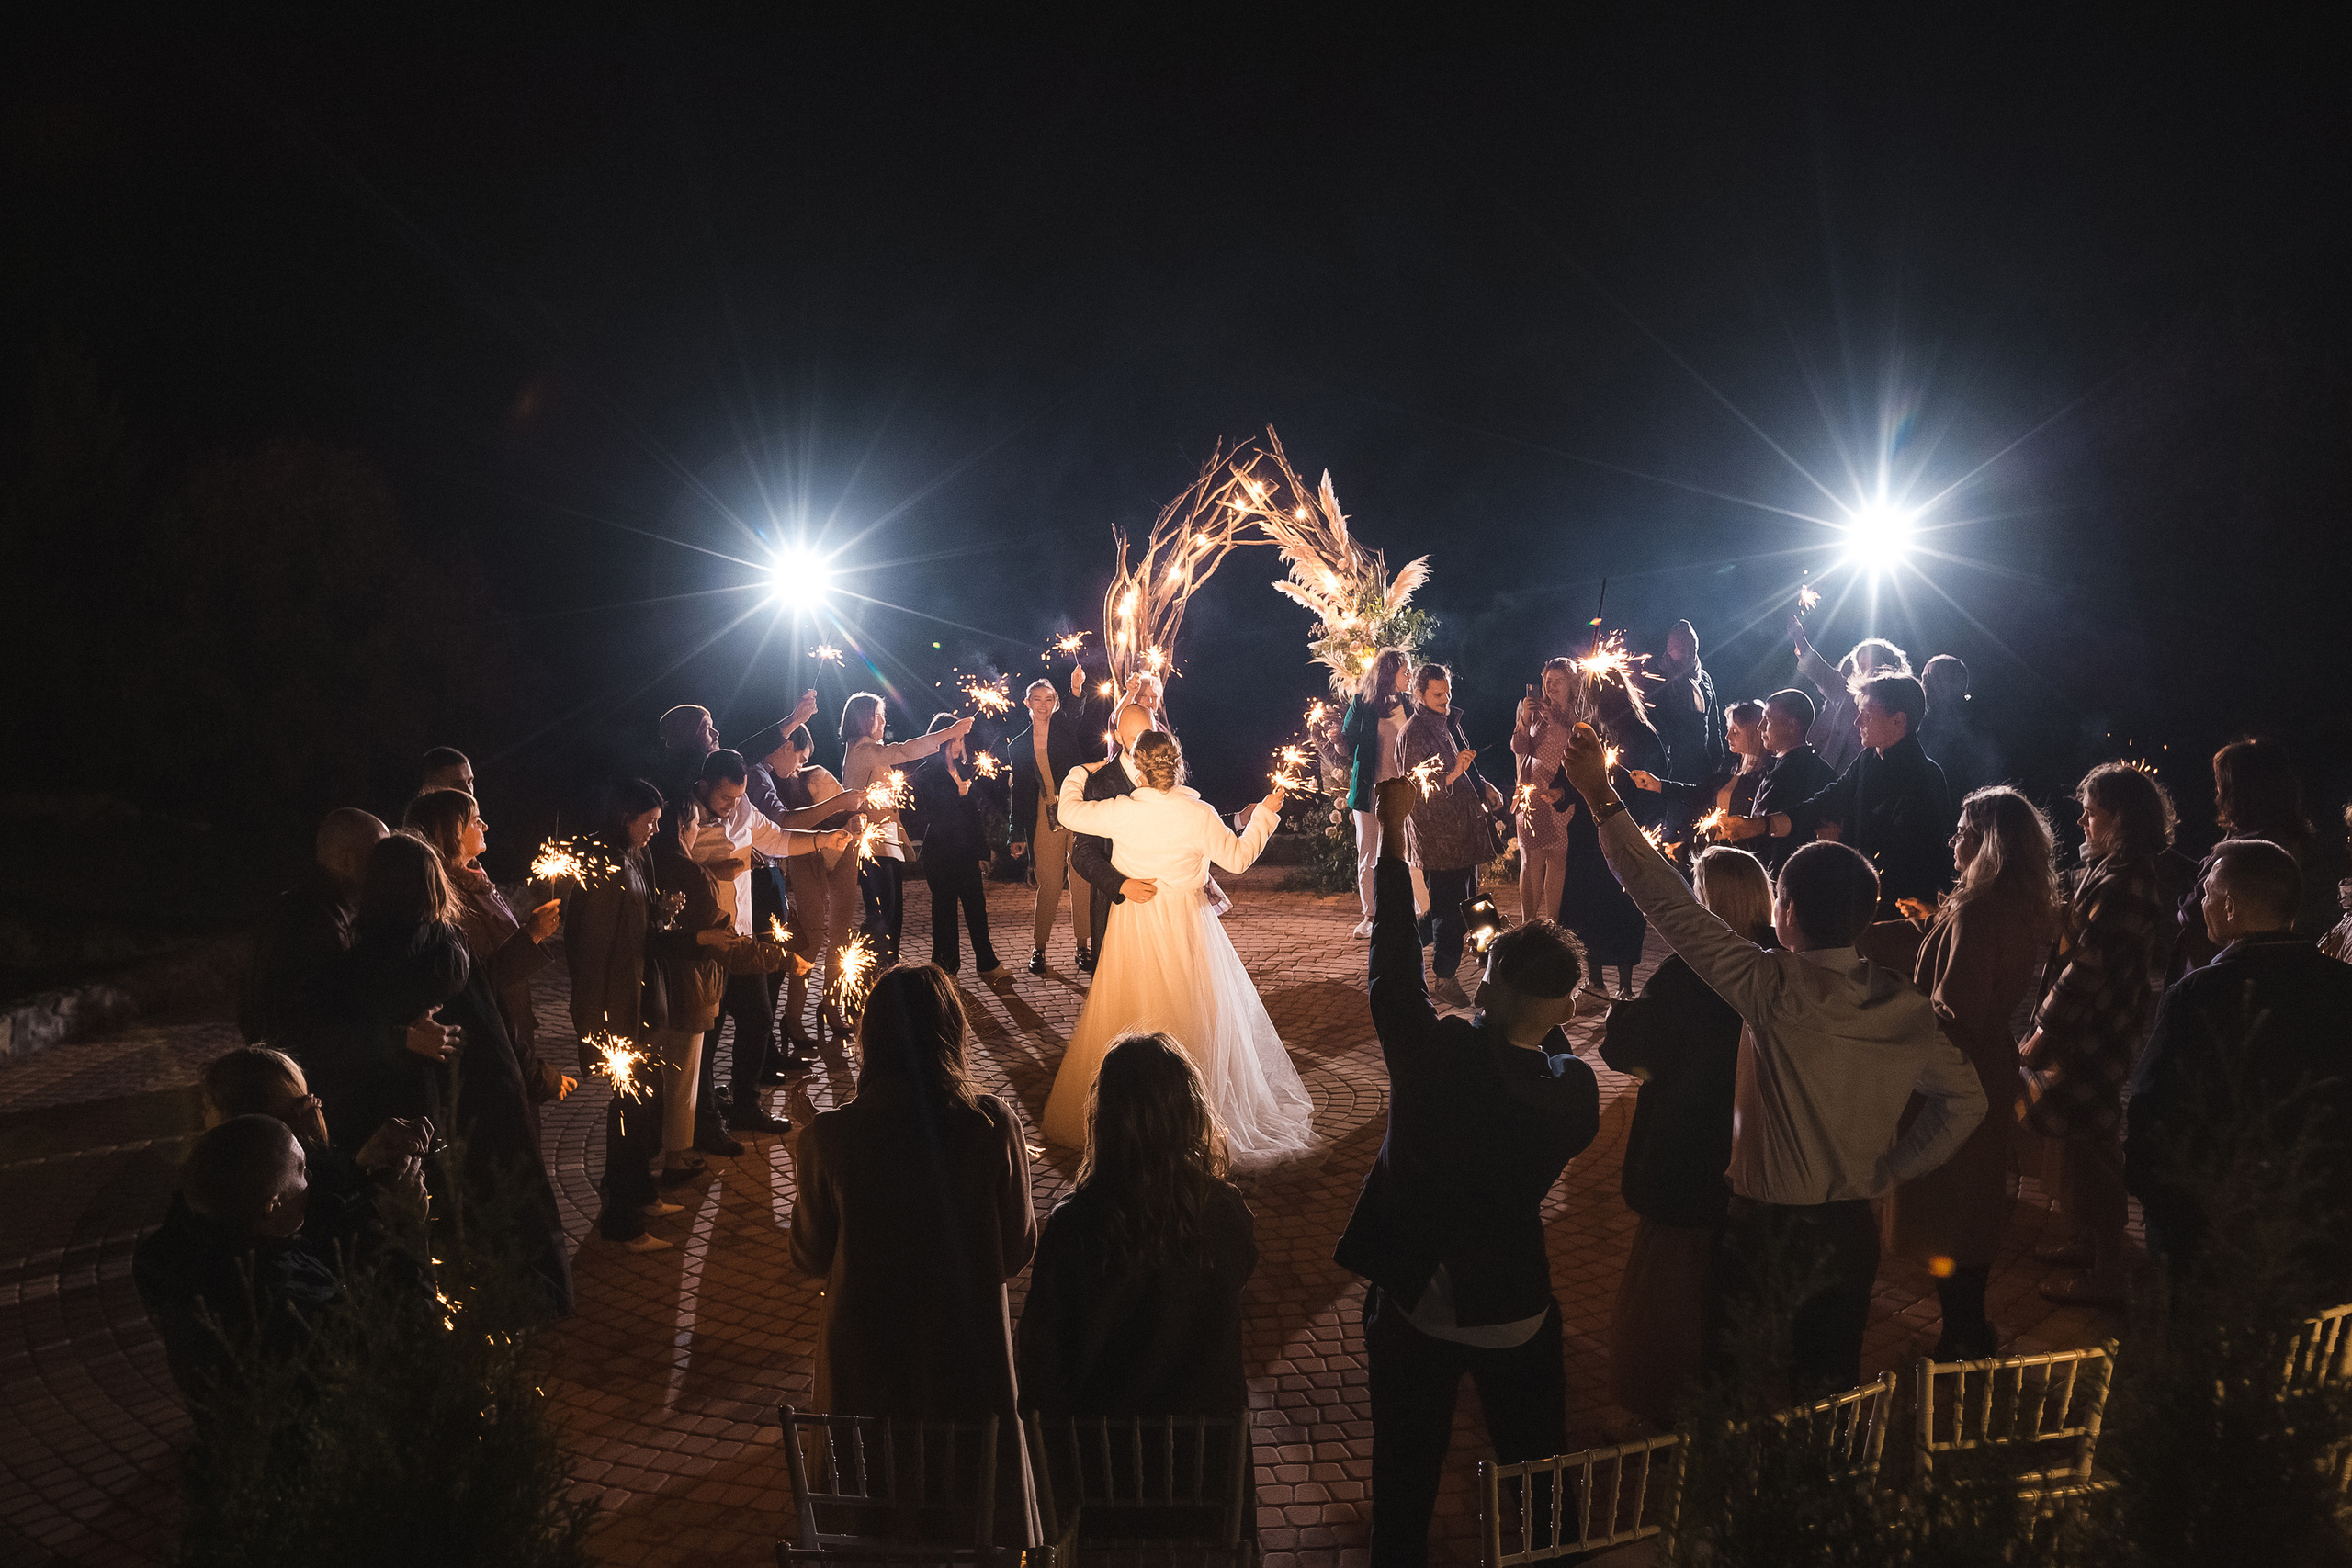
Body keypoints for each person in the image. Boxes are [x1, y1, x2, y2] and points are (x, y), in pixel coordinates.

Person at [1559, 721, 1984, 1397]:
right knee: (1826, 1389)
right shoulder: (1903, 1006)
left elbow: (1665, 900)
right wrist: (1892, 1169)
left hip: (1765, 1230)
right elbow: (1967, 1100)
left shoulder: (1772, 988)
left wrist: (1598, 794)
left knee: (1744, 1388)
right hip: (1852, 1231)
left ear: (1785, 911)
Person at [1337, 774, 1599, 1568]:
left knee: (1406, 1472)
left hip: (1420, 1299)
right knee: (1540, 1465)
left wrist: (1389, 838)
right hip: (1515, 1304)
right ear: (1566, 1011)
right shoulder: (1573, 1095)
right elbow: (1534, 1049)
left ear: (1486, 980)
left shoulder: (1433, 1058)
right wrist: (1524, 1009)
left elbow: (1391, 971)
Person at [784, 965, 1039, 1547]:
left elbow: (809, 1253)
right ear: (952, 1035)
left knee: (870, 1514)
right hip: (967, 1360)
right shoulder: (990, 1125)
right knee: (969, 1512)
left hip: (867, 1362)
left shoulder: (831, 1137)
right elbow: (1016, 1248)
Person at [1043, 731, 1311, 1162]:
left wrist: (1078, 772)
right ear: (1177, 763)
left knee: (1130, 1009)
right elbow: (1239, 859)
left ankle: (1131, 1115)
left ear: (1138, 765)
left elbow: (1070, 813)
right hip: (1188, 924)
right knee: (1191, 1012)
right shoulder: (1199, 812)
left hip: (1137, 919)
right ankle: (1191, 1120)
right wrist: (1265, 814)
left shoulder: (1122, 812)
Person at [355, 832, 576, 1317]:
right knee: (499, 1205)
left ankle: (454, 1307)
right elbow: (494, 1025)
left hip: (423, 1109)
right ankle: (521, 1301)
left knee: (447, 1213)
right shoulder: (446, 947)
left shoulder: (365, 958)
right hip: (483, 1100)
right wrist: (530, 1078)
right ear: (433, 885)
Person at [1881, 788, 2064, 1359]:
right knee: (1972, 1201)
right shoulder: (2011, 902)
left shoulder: (1981, 910)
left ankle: (1962, 1333)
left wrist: (1894, 1008)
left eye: (1964, 831)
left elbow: (1958, 1007)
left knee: (1952, 1204)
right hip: (1989, 1060)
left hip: (1959, 1069)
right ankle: (1969, 1326)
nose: (1953, 841)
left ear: (1989, 843)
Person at [2128, 838, 2352, 1299]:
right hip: (2326, 1227)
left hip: (2214, 1236)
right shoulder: (2342, 986)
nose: (2200, 902)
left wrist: (2163, 1215)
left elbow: (2154, 1113)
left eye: (2207, 891)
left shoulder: (2200, 996)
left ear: (2229, 906)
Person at [1598, 846, 1768, 1428]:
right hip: (1757, 1153)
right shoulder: (1775, 964)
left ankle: (1668, 1404)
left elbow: (1625, 1052)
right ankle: (1737, 1396)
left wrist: (1624, 1015)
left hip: (1685, 1152)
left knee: (1672, 1292)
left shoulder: (1686, 976)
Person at [1018, 1032, 1257, 1416]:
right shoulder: (1224, 1212)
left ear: (1104, 1120)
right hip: (1206, 1457)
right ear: (1187, 1112)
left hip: (1104, 1460)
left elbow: (1040, 1358)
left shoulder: (1073, 1225)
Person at [2018, 761, 2173, 1307]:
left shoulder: (2126, 880)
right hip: (2091, 1028)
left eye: (2091, 811)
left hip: (2096, 1033)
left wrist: (2043, 1031)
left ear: (2121, 817)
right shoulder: (2109, 869)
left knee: (2094, 1146)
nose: (2082, 821)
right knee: (2082, 1139)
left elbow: (2089, 968)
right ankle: (2090, 1242)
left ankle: (2108, 1269)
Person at [677, 744, 841, 1138]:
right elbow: (670, 873)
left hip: (742, 940)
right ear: (703, 785)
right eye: (724, 797)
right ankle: (703, 1120)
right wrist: (713, 870)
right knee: (708, 1033)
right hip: (706, 945)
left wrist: (823, 839)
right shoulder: (684, 818)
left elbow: (779, 840)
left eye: (738, 797)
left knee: (758, 1017)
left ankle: (745, 1105)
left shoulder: (744, 807)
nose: (732, 806)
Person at [403, 790, 573, 1147]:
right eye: (473, 820)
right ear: (449, 833)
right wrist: (532, 935)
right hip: (492, 1042)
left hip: (512, 1027)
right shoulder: (449, 901)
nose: (485, 824)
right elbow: (476, 983)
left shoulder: (476, 881)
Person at [133, 1117, 341, 1407]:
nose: (311, 1177)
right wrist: (406, 1229)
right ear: (272, 1205)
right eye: (302, 1170)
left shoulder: (185, 1249)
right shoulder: (283, 1302)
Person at [564, 778, 692, 1251]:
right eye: (650, 822)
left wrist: (659, 913)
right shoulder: (606, 869)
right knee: (627, 1116)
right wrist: (593, 1028)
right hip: (622, 1014)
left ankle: (640, 1193)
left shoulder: (635, 858)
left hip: (642, 1005)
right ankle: (621, 1220)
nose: (655, 831)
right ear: (625, 818)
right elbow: (594, 953)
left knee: (643, 1111)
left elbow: (634, 929)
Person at [650, 807, 796, 1183]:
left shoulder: (664, 863)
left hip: (695, 971)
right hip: (696, 978)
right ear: (686, 827)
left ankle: (734, 1110)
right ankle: (692, 1138)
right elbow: (719, 941)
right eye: (697, 824)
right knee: (693, 1058)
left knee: (755, 1021)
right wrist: (783, 958)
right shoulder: (688, 871)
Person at [1731, 671, 1952, 914]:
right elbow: (1825, 801)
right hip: (1861, 894)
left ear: (1898, 720)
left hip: (1902, 908)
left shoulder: (1924, 776)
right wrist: (1761, 825)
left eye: (1867, 715)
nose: (1857, 722)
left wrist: (1844, 841)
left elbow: (1907, 854)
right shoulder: (1868, 759)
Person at [197, 1045, 431, 1266]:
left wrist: (360, 1167)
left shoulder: (228, 1212)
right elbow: (383, 1297)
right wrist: (407, 1228)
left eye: (208, 1107)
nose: (307, 1173)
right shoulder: (293, 1234)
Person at [2171, 738, 2343, 976]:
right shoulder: (2278, 837)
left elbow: (2194, 911)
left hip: (2230, 978)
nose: (2217, 793)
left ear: (2240, 789)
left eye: (2221, 783)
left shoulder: (2258, 848)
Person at [745, 722, 866, 1055]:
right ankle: (793, 1017)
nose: (801, 764)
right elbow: (785, 824)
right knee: (810, 938)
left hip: (841, 852)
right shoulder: (765, 782)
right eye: (800, 755)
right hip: (804, 856)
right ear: (786, 745)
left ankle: (830, 1004)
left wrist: (851, 820)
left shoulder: (814, 776)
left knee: (841, 936)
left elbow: (849, 813)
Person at [240, 808, 389, 1065]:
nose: (387, 866)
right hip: (304, 1075)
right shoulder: (317, 924)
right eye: (380, 855)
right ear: (346, 861)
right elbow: (305, 1025)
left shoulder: (299, 906)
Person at [1397, 663, 1504, 1009]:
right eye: (1438, 694)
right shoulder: (1413, 733)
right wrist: (1456, 771)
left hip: (1464, 830)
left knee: (1468, 903)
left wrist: (1482, 785)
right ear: (1419, 694)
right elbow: (1418, 789)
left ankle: (1490, 965)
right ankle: (1445, 977)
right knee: (1451, 911)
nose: (1445, 699)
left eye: (1448, 693)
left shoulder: (1448, 723)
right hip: (1439, 837)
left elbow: (1464, 766)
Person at [840, 692, 976, 960]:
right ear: (865, 718)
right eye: (879, 715)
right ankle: (880, 976)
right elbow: (902, 750)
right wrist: (950, 731)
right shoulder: (864, 751)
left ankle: (887, 972)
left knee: (890, 918)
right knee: (883, 920)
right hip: (875, 849)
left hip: (884, 847)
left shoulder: (864, 750)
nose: (884, 721)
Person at [1557, 671, 1661, 998]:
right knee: (1586, 906)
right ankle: (1596, 982)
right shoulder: (1587, 733)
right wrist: (1560, 794)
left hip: (1623, 830)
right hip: (1587, 837)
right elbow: (1569, 777)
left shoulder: (1641, 735)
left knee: (1624, 908)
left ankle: (1626, 987)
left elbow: (1652, 787)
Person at [1066, 702, 1163, 967]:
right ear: (1118, 737)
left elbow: (1189, 820)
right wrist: (1120, 884)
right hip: (1116, 905)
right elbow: (1083, 854)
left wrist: (1238, 820)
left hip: (1163, 903)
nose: (1144, 745)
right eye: (1134, 738)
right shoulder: (1100, 784)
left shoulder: (1168, 773)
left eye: (1149, 734)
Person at [1008, 677, 1094, 976]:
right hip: (1044, 814)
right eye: (1037, 699)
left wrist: (1076, 689)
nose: (1043, 705)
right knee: (1050, 884)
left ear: (1055, 701)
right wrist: (1015, 833)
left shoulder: (1064, 728)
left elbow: (1076, 712)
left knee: (1082, 879)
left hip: (1075, 808)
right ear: (1027, 703)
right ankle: (1039, 948)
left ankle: (1083, 946)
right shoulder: (1018, 745)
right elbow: (1018, 791)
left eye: (1048, 699)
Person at [913, 712, 1006, 977]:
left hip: (965, 852)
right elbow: (929, 814)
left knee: (976, 908)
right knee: (944, 912)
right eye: (954, 739)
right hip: (940, 854)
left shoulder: (963, 769)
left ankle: (987, 962)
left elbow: (973, 817)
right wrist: (956, 794)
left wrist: (982, 850)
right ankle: (945, 968)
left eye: (961, 739)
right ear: (940, 740)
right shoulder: (927, 772)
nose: (959, 744)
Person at [1341, 649, 1421, 939]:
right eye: (1405, 671)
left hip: (1402, 792)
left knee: (1405, 851)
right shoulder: (1363, 703)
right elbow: (1347, 737)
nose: (1410, 676)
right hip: (1369, 790)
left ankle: (1408, 909)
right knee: (1369, 854)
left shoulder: (1411, 705)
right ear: (1390, 673)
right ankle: (1371, 915)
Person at [1510, 659, 1580, 927]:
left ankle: (1553, 925)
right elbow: (1518, 747)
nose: (1550, 687)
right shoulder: (1533, 710)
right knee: (1530, 861)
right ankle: (1528, 924)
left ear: (1571, 685)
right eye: (1547, 681)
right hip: (1530, 797)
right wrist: (1526, 720)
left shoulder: (1578, 713)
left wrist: (1559, 723)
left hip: (1560, 798)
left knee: (1557, 862)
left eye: (1557, 681)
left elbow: (1578, 748)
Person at [1789, 622, 1908, 778]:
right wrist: (1799, 638)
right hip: (1829, 777)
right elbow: (1820, 671)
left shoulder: (1903, 703)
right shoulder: (1847, 694)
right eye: (1860, 666)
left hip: (1870, 780)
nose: (1865, 671)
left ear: (1888, 665)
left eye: (1868, 664)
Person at [1742, 690, 1838, 876]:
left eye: (1768, 719)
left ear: (1792, 725)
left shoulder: (1787, 775)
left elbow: (1763, 835)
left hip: (1782, 874)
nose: (1760, 727)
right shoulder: (1822, 768)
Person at [1649, 619, 1727, 789]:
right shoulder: (1658, 679)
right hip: (1673, 770)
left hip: (1703, 768)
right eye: (1682, 650)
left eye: (1692, 650)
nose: (1687, 655)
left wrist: (1719, 764)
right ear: (1670, 650)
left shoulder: (1704, 679)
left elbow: (1714, 725)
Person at [1918, 656, 1997, 801]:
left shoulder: (1978, 720)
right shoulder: (1923, 721)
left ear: (1956, 683)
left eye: (1931, 678)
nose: (1925, 684)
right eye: (1924, 678)